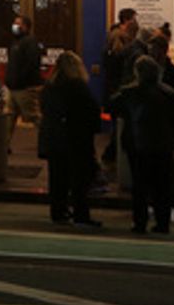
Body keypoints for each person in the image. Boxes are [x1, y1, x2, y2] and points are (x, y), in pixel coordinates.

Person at [112, 55, 174, 235]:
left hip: (137, 144)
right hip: (163, 144)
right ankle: (162, 223)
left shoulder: (129, 93)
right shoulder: (169, 93)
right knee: (162, 186)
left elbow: (112, 107)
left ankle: (140, 222)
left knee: (140, 186)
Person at [38, 51, 102, 228]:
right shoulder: (78, 86)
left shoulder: (49, 87)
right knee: (79, 179)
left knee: (57, 177)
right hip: (75, 138)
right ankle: (81, 214)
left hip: (54, 138)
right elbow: (90, 111)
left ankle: (58, 212)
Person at [148, 34, 174, 223]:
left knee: (171, 170)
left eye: (155, 51)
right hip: (152, 129)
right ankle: (153, 203)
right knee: (152, 169)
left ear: (163, 51)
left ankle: (173, 205)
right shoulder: (147, 74)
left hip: (168, 129)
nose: (152, 55)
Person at [100, 8, 145, 165]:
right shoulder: (120, 39)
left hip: (115, 88)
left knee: (119, 125)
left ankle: (112, 155)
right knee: (120, 125)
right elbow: (118, 64)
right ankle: (111, 155)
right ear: (127, 20)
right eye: (133, 18)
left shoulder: (114, 37)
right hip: (118, 88)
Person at [6, 15, 44, 150]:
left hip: (25, 87)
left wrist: (20, 80)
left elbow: (32, 64)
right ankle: (4, 145)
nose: (15, 26)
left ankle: (50, 139)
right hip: (13, 87)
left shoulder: (30, 42)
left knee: (33, 116)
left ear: (26, 27)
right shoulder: (15, 43)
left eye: (18, 24)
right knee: (9, 118)